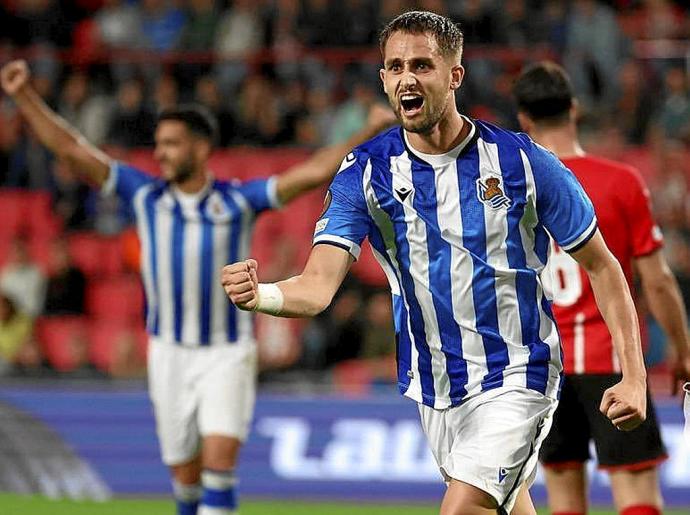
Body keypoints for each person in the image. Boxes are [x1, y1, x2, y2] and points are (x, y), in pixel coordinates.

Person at [222, 11, 648, 515]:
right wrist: (263, 294)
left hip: (519, 373)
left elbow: (604, 267)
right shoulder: (366, 174)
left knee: (461, 509)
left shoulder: (522, 164)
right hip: (435, 386)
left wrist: (635, 376)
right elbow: (317, 286)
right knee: (506, 506)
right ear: (382, 78)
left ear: (454, 76)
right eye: (395, 66)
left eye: (422, 65)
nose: (407, 77)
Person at [0, 58, 395, 515]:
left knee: (220, 466)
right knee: (186, 482)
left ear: (202, 148)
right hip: (168, 352)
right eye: (159, 144)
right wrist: (24, 96)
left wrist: (362, 135)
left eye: (172, 144)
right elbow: (72, 150)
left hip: (226, 352)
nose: (162, 152)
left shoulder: (236, 201)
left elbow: (308, 174)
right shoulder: (145, 194)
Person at [512, 61, 690, 515]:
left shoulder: (512, 190)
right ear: (574, 109)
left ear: (524, 119)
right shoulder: (620, 182)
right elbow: (659, 280)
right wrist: (683, 350)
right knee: (637, 495)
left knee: (565, 496)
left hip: (543, 367)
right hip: (612, 360)